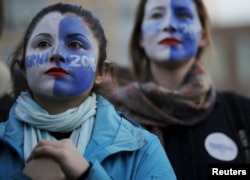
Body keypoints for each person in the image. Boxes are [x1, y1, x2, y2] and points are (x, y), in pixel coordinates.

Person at [0, 2, 176, 180]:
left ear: (101, 72)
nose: (56, 53)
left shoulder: (143, 148)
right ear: (24, 67)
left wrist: (86, 174)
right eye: (43, 43)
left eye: (75, 44)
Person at [110, 0, 250, 180]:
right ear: (141, 38)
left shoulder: (241, 114)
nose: (169, 24)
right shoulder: (111, 119)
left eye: (183, 15)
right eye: (156, 15)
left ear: (203, 36)